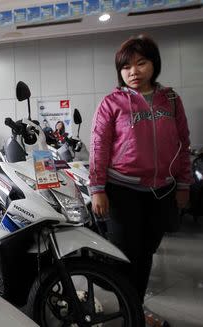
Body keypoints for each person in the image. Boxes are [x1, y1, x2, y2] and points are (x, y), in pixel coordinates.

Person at [89, 35, 191, 327]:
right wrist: (97, 189)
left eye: (141, 63)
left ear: (153, 65)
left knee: (146, 253)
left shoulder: (170, 99)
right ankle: (129, 309)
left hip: (162, 191)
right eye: (126, 67)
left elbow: (183, 143)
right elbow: (99, 146)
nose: (133, 71)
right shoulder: (112, 102)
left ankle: (135, 308)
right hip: (122, 189)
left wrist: (183, 184)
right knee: (125, 254)